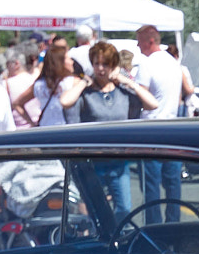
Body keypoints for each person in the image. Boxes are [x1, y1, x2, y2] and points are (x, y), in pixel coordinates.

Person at [64, 41, 160, 215]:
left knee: (124, 208)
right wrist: (84, 82)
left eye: (105, 64)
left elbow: (153, 104)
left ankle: (116, 237)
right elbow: (65, 101)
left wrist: (127, 81)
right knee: (94, 209)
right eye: (96, 64)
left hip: (119, 161)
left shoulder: (122, 93)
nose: (101, 69)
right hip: (93, 161)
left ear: (113, 65)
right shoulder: (86, 93)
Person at [130, 24, 188, 216]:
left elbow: (142, 96)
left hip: (151, 128)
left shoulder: (147, 63)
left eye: (139, 42)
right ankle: (173, 222)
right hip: (173, 126)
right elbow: (182, 93)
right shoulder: (173, 62)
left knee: (151, 185)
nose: (138, 47)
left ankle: (153, 226)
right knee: (173, 182)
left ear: (150, 41)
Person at [30, 41, 80, 129]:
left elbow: (18, 103)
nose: (72, 62)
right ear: (60, 62)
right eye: (68, 59)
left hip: (44, 128)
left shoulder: (39, 84)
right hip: (66, 129)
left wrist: (32, 123)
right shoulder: (73, 82)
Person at [4, 44, 39, 127]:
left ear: (16, 64)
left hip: (17, 130)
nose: (6, 68)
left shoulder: (5, 84)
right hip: (38, 127)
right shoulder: (36, 80)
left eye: (7, 64)